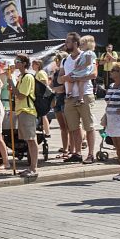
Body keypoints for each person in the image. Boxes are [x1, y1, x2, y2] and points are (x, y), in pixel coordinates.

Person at [59, 32, 97, 164]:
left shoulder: (86, 54)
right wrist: (66, 78)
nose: (66, 44)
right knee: (74, 127)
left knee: (89, 126)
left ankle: (91, 154)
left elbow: (94, 74)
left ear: (75, 43)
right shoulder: (65, 60)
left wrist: (77, 78)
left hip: (85, 94)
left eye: (68, 42)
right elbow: (59, 78)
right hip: (70, 97)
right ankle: (77, 153)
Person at [7, 54, 39, 178]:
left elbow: (21, 95)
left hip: (27, 111)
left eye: (18, 61)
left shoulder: (27, 77)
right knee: (29, 140)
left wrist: (12, 84)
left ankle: (33, 168)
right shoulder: (21, 76)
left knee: (31, 139)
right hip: (22, 111)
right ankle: (31, 167)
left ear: (24, 63)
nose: (16, 63)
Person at [103, 62, 120, 180]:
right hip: (111, 119)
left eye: (115, 70)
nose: (111, 72)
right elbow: (109, 102)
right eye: (112, 70)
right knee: (117, 146)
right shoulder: (112, 85)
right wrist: (105, 117)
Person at [68, 35, 97, 106]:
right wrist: (77, 63)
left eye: (83, 44)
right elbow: (81, 60)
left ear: (89, 44)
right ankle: (72, 94)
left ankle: (78, 97)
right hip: (81, 70)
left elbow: (88, 62)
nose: (81, 45)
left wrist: (80, 66)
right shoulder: (84, 53)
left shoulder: (89, 52)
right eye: (81, 44)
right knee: (75, 80)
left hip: (83, 71)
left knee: (76, 81)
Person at [32, 59, 51, 137]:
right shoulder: (37, 73)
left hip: (42, 97)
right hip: (39, 96)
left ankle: (47, 132)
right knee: (41, 115)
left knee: (43, 115)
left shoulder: (41, 73)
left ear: (38, 65)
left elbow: (44, 84)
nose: (32, 66)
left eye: (34, 64)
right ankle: (44, 130)